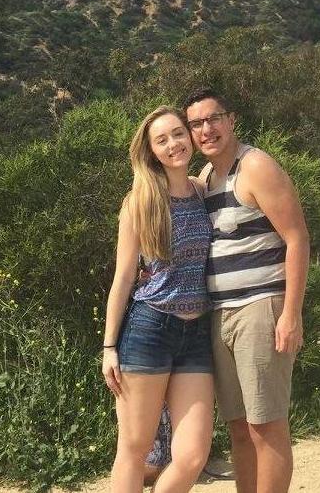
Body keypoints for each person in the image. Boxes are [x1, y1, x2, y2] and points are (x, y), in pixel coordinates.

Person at [184, 88, 310, 493]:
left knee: (265, 425)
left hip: (260, 309)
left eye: (213, 118)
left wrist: (290, 314)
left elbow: (297, 238)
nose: (206, 129)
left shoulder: (255, 167)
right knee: (238, 427)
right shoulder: (206, 177)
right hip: (221, 313)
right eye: (196, 124)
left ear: (231, 120)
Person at [101, 106, 214, 492]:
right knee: (135, 449)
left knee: (193, 455)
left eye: (178, 133)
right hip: (149, 328)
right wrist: (109, 347)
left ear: (190, 136)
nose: (173, 144)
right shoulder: (140, 201)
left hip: (196, 335)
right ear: (151, 151)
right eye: (162, 140)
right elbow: (123, 278)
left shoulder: (202, 189)